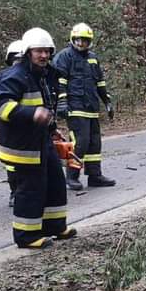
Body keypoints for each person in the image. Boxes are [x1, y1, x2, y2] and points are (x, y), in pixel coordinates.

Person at [0, 27, 77, 248]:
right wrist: (31, 113)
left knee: (56, 183)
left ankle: (55, 227)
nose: (44, 55)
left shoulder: (45, 76)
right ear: (28, 52)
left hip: (42, 141)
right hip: (23, 147)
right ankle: (26, 237)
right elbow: (0, 106)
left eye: (47, 51)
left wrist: (53, 129)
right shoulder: (15, 76)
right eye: (39, 51)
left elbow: (46, 106)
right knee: (31, 190)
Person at [53, 22, 116, 190]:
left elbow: (100, 82)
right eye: (79, 40)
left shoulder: (93, 58)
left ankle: (95, 176)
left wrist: (107, 101)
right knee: (80, 142)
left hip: (91, 107)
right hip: (74, 107)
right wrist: (62, 102)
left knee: (94, 143)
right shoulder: (65, 56)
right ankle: (72, 176)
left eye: (85, 41)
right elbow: (59, 82)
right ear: (73, 39)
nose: (81, 44)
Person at [0, 39, 25, 207]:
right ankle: (14, 192)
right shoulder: (1, 77)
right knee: (12, 165)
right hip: (10, 129)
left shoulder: (35, 76)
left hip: (31, 130)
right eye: (15, 59)